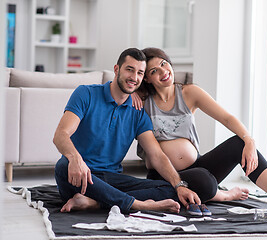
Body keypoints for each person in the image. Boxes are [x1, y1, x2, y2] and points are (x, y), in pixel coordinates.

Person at [133, 47, 267, 220]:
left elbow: (227, 118)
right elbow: (119, 84)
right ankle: (223, 195)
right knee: (204, 181)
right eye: (154, 71)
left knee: (238, 144)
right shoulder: (142, 100)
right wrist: (132, 93)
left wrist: (249, 140)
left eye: (164, 64)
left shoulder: (189, 93)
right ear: (147, 79)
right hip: (164, 175)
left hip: (197, 165)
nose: (163, 71)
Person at [53, 48, 201, 214]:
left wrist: (179, 185)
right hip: (79, 176)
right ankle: (138, 204)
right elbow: (60, 135)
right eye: (129, 70)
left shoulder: (138, 113)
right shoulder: (85, 93)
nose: (134, 77)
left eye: (140, 73)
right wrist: (75, 158)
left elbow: (156, 155)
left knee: (168, 189)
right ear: (116, 70)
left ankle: (95, 202)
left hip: (111, 179)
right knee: (63, 165)